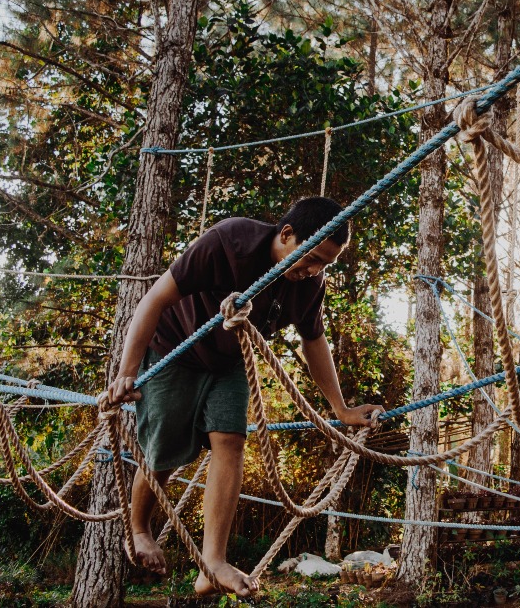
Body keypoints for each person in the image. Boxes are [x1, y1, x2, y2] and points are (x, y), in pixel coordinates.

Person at [106, 196, 383, 597]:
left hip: (228, 362)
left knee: (232, 442)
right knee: (161, 451)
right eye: (312, 257)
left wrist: (340, 409)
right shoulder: (228, 242)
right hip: (174, 349)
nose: (314, 270)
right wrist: (127, 373)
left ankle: (212, 564)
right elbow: (154, 299)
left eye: (326, 263)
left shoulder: (310, 285)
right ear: (286, 234)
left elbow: (314, 341)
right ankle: (139, 529)